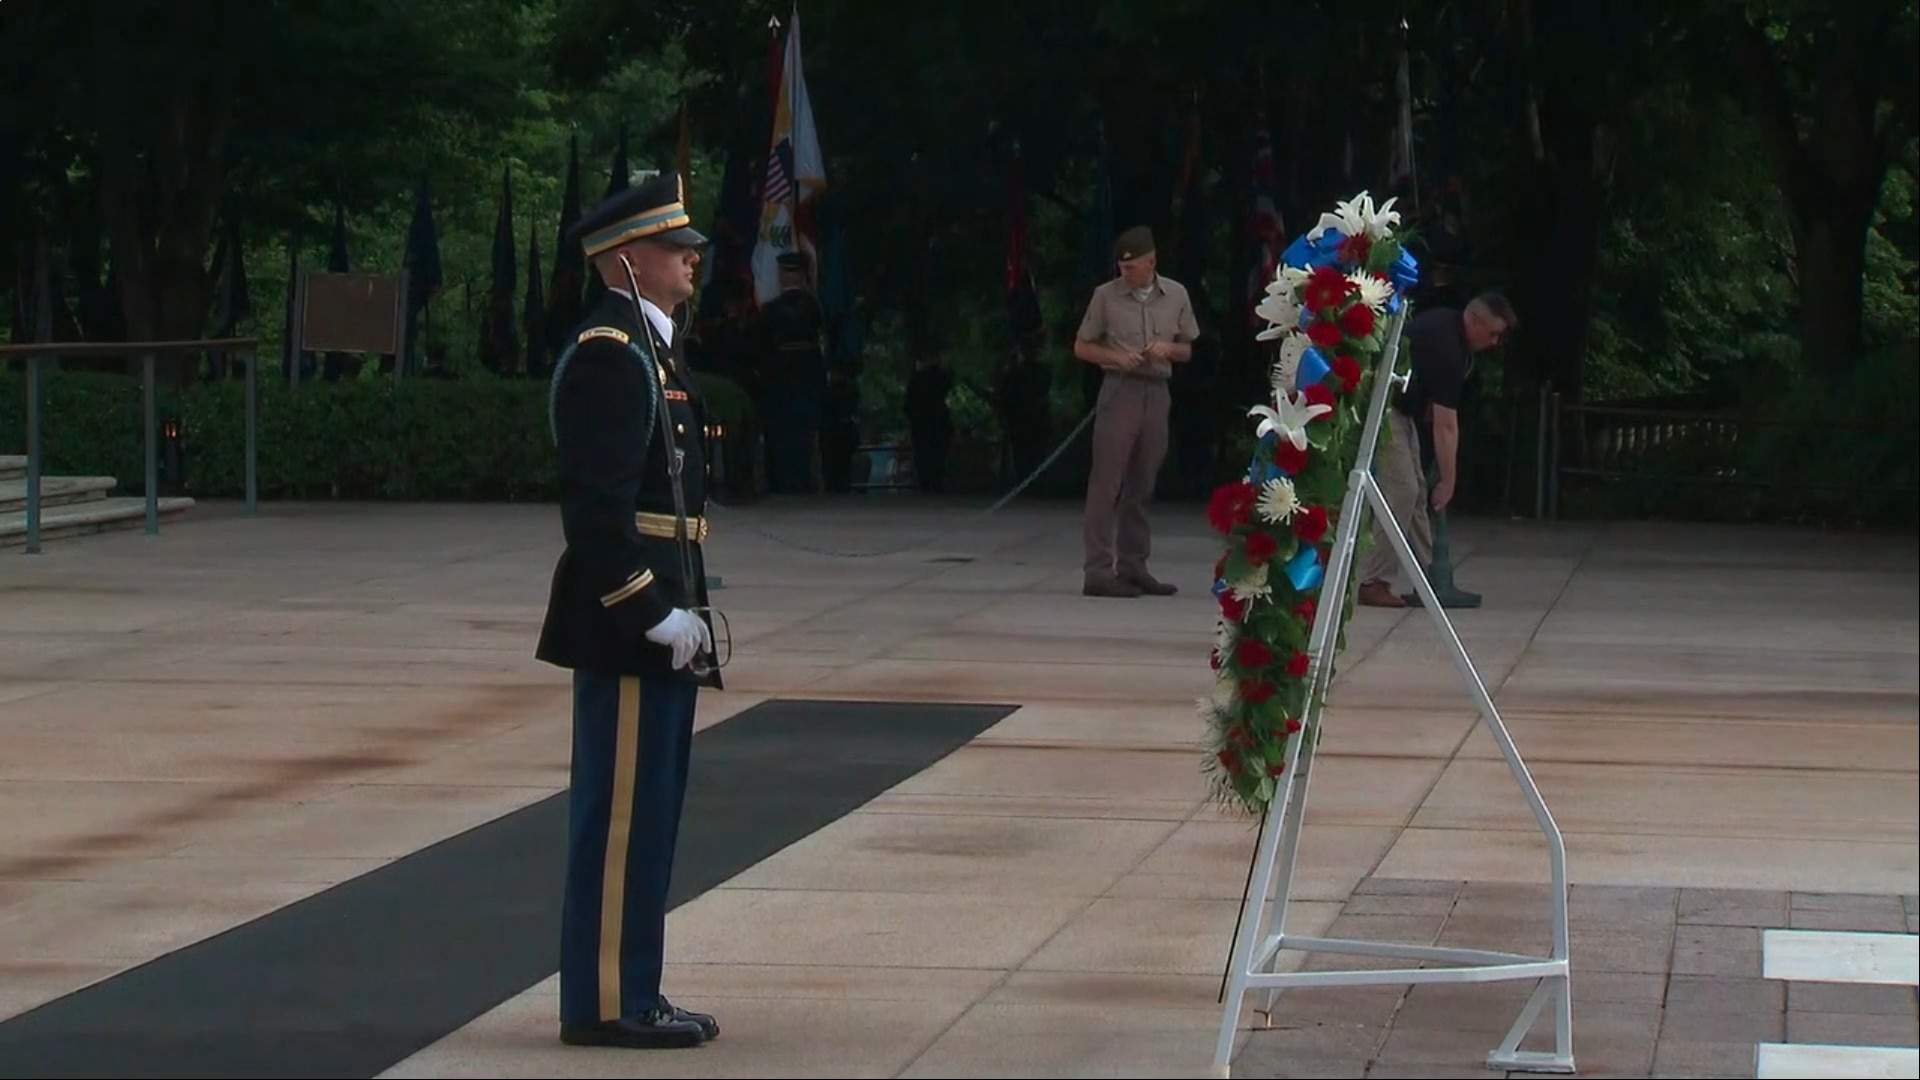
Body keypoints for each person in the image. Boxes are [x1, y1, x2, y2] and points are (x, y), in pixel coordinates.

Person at [535, 171, 724, 1050]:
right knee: (620, 821)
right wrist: (649, 609)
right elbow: (598, 507)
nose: (691, 258)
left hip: (661, 618)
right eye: (673, 246)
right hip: (628, 624)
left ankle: (632, 989)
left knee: (649, 817)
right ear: (627, 260)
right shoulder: (612, 350)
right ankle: (608, 1003)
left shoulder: (649, 347)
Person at [1357, 290, 1516, 608]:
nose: (1495, 342)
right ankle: (1373, 580)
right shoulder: (1449, 349)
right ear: (1474, 320)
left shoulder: (1445, 324)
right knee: (1402, 490)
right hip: (1383, 408)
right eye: (1493, 333)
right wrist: (1448, 480)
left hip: (1398, 408)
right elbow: (1445, 425)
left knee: (1414, 493)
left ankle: (1431, 577)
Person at [1073, 225, 1200, 598]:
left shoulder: (1175, 294)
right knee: (1107, 482)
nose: (1125, 274)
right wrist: (1115, 357)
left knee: (1142, 482)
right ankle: (1097, 570)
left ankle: (1133, 565)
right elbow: (1082, 346)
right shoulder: (1106, 297)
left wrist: (1167, 349)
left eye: (1132, 268)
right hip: (1120, 390)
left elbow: (1188, 349)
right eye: (1121, 268)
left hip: (1157, 391)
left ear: (1151, 262)